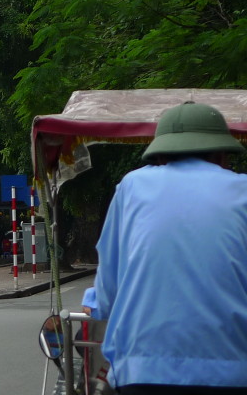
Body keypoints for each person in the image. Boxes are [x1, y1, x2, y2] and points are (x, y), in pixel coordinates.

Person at [93, 101, 247, 393]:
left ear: (160, 157)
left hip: (142, 372)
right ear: (221, 154)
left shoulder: (132, 187)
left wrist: (96, 306)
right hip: (233, 373)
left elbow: (108, 286)